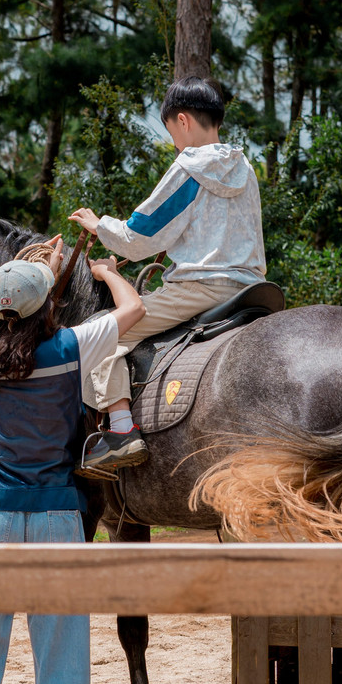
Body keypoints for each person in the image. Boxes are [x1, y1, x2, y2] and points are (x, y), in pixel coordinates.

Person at [0, 239, 145, 684]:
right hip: (58, 513)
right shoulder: (70, 347)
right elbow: (134, 310)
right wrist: (104, 273)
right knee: (61, 637)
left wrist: (40, 275)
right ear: (47, 304)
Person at [68, 75, 267, 473]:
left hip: (201, 289)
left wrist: (97, 225)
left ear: (182, 120)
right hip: (253, 289)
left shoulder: (189, 167)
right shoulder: (244, 167)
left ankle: (121, 432)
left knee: (100, 331)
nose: (174, 142)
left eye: (171, 132)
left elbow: (137, 238)